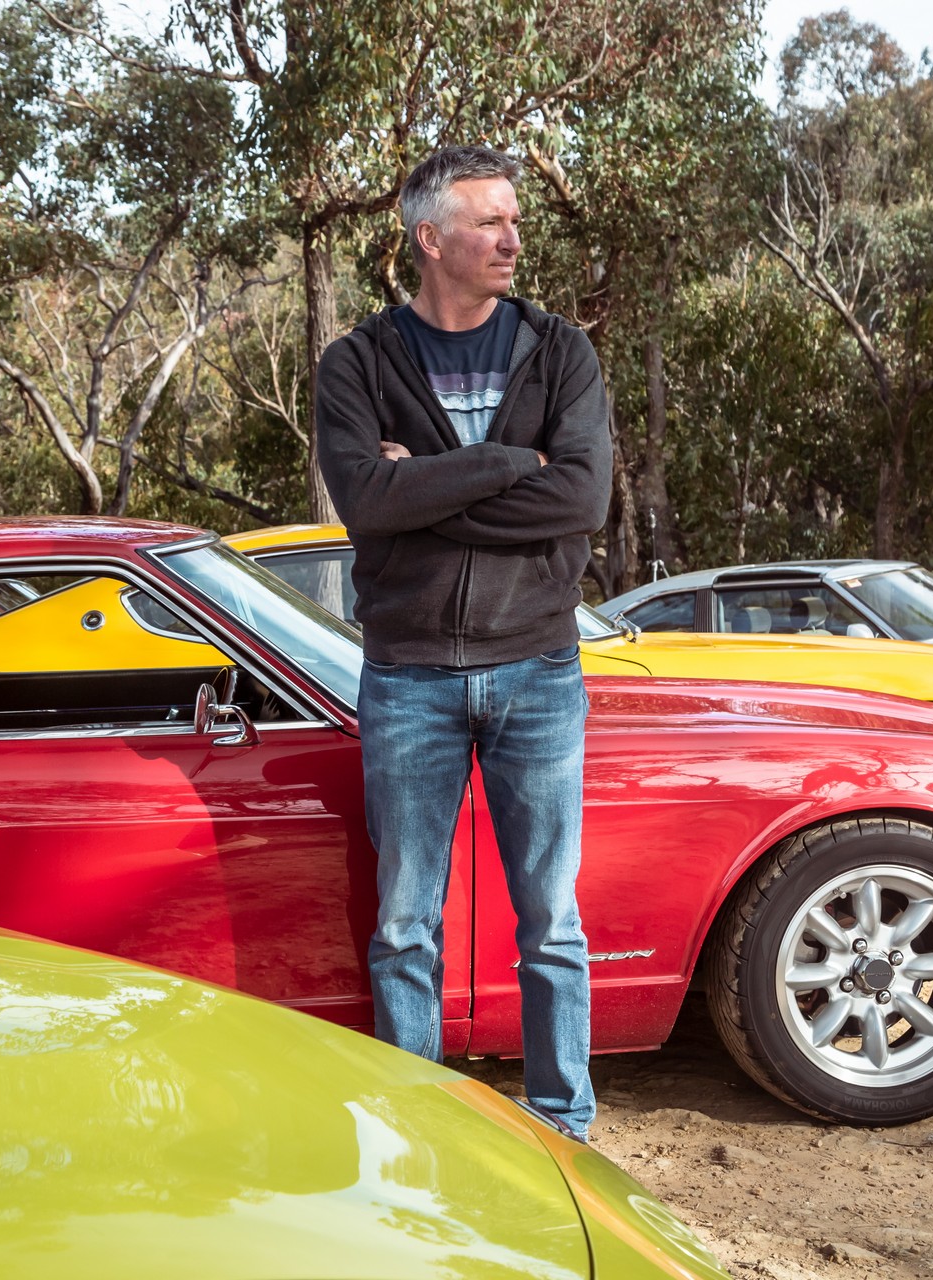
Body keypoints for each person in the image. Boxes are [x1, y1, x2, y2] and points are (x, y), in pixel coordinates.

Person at [315, 145, 613, 1141]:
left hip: (539, 669)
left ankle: (564, 1121)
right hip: (409, 680)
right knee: (405, 926)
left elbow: (581, 497)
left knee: (554, 925)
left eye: (514, 220)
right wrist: (504, 464)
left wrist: (428, 493)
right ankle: (420, 1126)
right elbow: (366, 498)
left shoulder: (561, 351)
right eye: (490, 222)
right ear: (430, 237)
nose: (513, 239)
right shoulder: (356, 363)